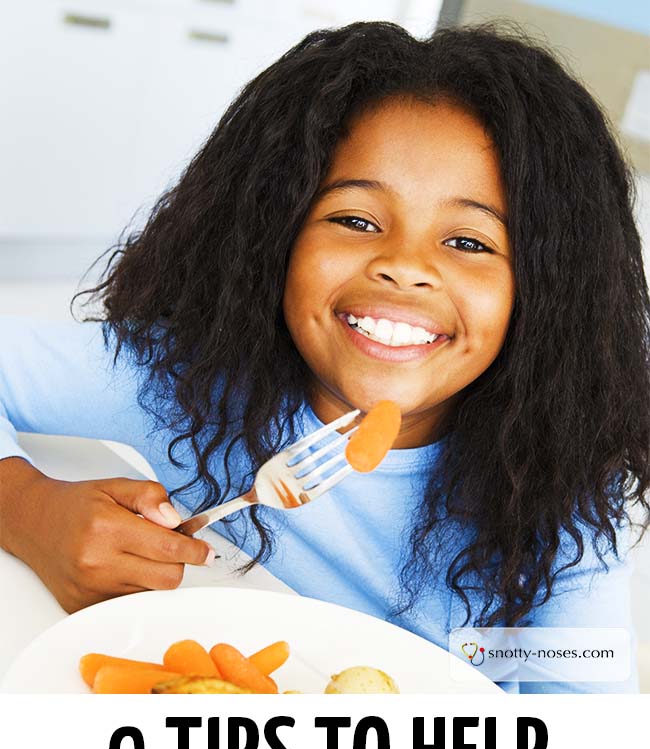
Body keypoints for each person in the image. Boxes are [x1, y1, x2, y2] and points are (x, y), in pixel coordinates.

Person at [1, 22, 648, 692]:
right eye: (357, 221)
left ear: (546, 295)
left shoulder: (556, 496)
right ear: (273, 234)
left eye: (469, 242)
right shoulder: (181, 385)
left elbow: (585, 713)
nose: (404, 267)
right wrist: (25, 506)